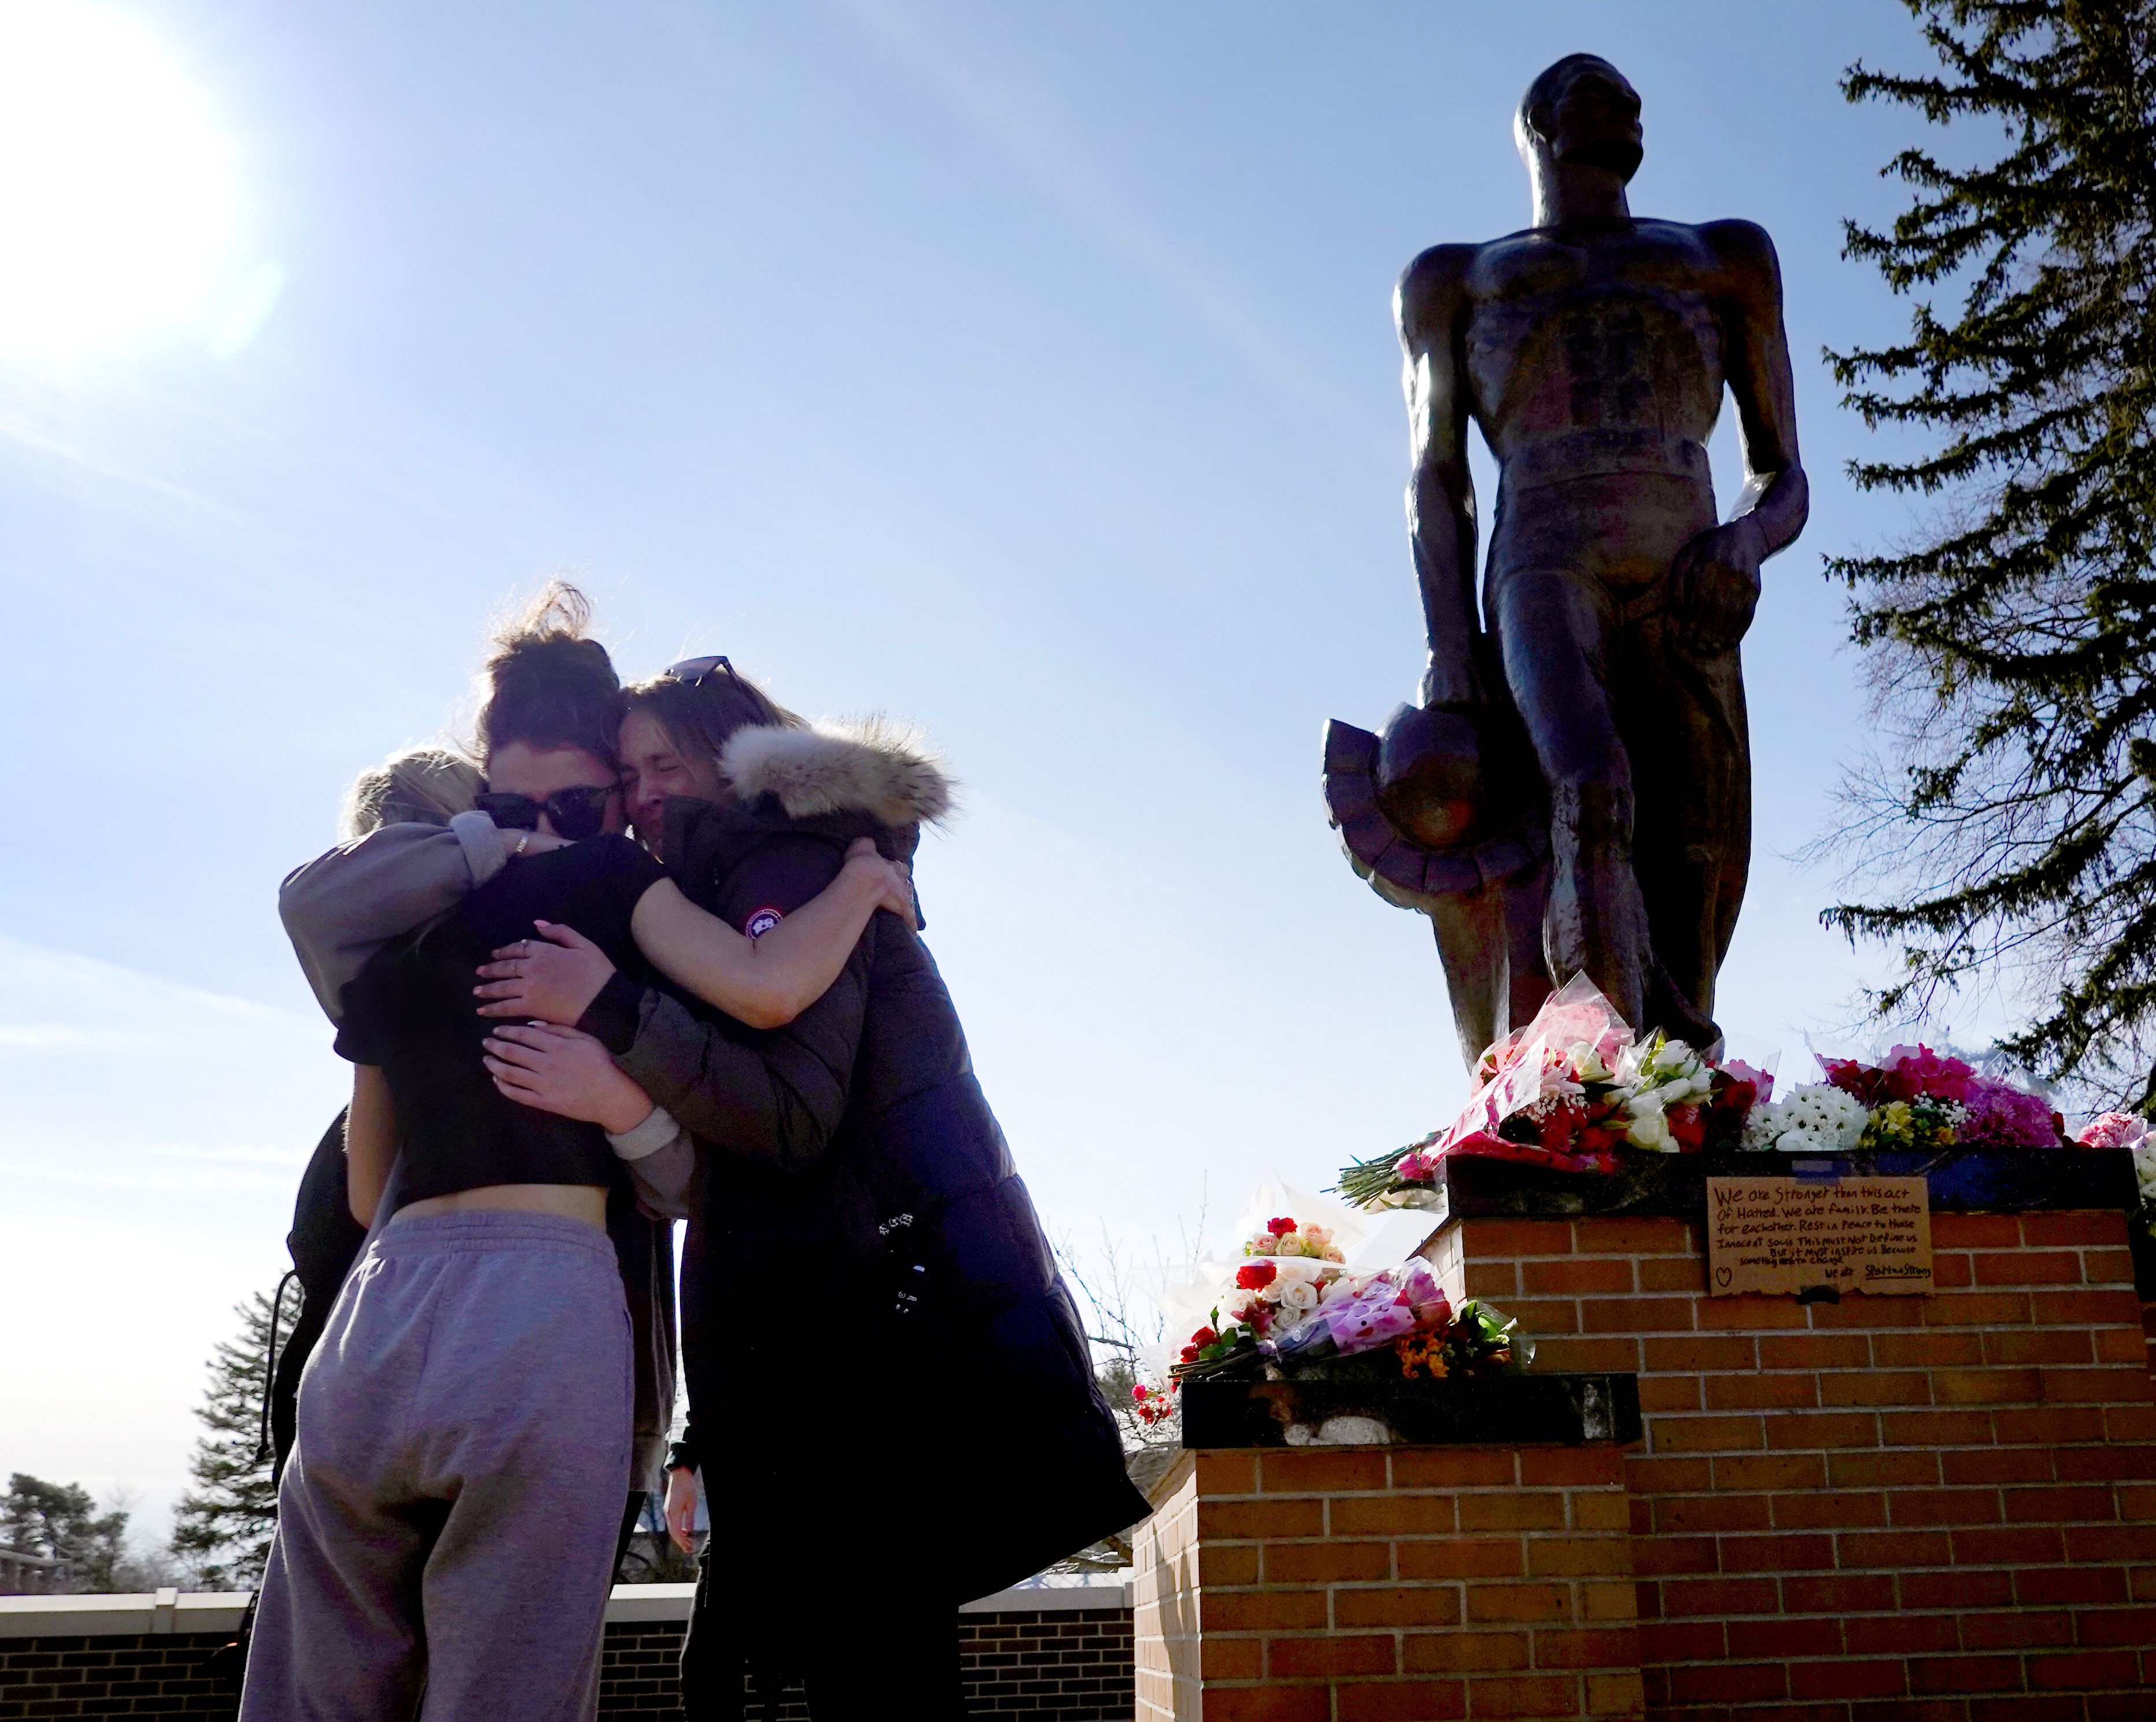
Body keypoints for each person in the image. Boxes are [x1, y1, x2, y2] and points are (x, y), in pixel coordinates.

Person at [244, 592, 914, 1722]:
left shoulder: (399, 931)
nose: (548, 828)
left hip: (372, 1329)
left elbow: (366, 1190)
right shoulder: (610, 884)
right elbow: (750, 1019)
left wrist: (479, 841)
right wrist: (858, 878)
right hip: (537, 1324)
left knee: (317, 1697)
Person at [479, 656, 1150, 1719]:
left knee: (862, 1671)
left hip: (876, 1349)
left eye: (667, 761)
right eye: (630, 770)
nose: (645, 791)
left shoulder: (776, 862)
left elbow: (787, 1122)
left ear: (729, 755)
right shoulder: (736, 878)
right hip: (833, 1342)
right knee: (816, 1666)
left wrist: (608, 1012)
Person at [1383, 52, 1807, 1053]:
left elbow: (1782, 471)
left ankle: (1681, 1074)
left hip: (1687, 568)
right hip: (1543, 555)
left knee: (1700, 849)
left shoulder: (1721, 257)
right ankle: (1602, 1083)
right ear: (1536, 127)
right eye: (1590, 93)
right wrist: (1449, 639)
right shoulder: (1460, 279)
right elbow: (1438, 476)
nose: (1625, 103)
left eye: (1631, 96)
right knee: (1588, 785)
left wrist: (1746, 541)